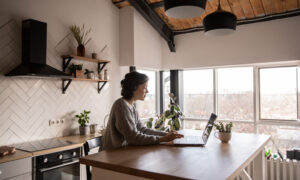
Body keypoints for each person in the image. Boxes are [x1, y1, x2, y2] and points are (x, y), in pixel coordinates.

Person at [101, 71, 184, 151]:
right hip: (108, 158)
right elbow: (133, 138)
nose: (147, 91)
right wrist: (162, 139)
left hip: (121, 153)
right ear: (134, 87)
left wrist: (167, 135)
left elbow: (142, 129)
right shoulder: (121, 105)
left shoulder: (130, 106)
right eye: (144, 87)